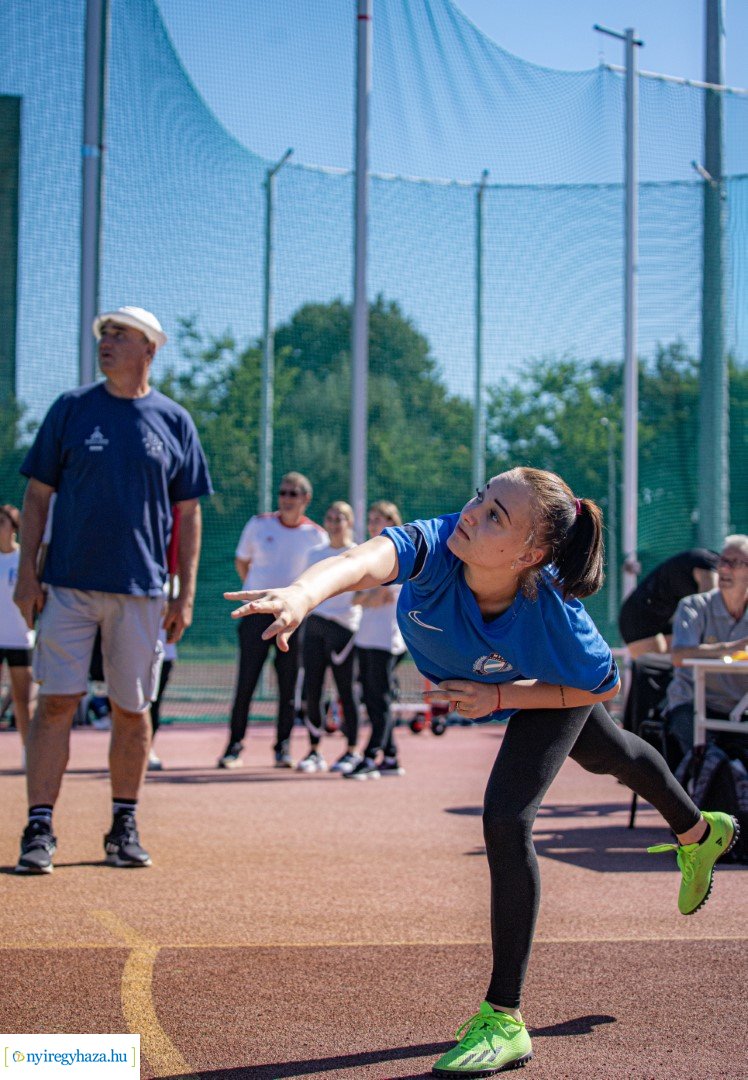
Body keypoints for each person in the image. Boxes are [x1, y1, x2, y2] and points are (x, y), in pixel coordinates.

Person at [225, 467, 736, 1076]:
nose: (472, 513)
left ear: (533, 553)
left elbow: (604, 684)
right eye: (480, 498)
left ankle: (505, 1017)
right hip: (513, 682)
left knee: (507, 816)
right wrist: (302, 595)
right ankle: (702, 833)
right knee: (610, 754)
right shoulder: (436, 546)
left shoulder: (556, 616)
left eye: (497, 515)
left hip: (543, 688)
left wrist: (502, 700)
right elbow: (361, 561)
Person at [13, 306, 212, 874]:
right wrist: (28, 572)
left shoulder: (174, 421)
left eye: (119, 335)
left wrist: (185, 593)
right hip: (68, 587)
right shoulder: (72, 410)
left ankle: (124, 823)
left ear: (149, 349)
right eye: (103, 333)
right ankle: (39, 827)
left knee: (132, 710)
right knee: (55, 704)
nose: (106, 342)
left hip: (143, 590)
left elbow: (188, 515)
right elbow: (37, 497)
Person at [219, 472, 325, 769]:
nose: (286, 499)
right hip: (256, 615)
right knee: (246, 684)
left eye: (293, 494)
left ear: (306, 499)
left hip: (293, 620)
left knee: (289, 687)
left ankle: (283, 747)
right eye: (283, 493)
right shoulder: (258, 524)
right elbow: (243, 562)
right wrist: (262, 600)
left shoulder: (316, 536)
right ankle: (233, 747)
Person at [663, 534, 748, 760]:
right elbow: (679, 656)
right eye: (723, 561)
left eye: (735, 563)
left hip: (740, 709)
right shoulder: (693, 606)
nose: (724, 569)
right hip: (692, 705)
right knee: (708, 761)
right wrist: (728, 648)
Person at [296, 501, 362, 774]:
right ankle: (314, 751)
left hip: (344, 630)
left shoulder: (358, 553)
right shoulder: (315, 554)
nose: (335, 523)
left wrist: (351, 607)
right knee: (312, 690)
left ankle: (351, 751)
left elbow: (367, 590)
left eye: (341, 518)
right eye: (331, 518)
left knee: (346, 691)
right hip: (314, 627)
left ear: (350, 522)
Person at [347, 500, 407, 779]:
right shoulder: (367, 553)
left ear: (393, 522)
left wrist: (366, 595)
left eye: (379, 519)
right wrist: (366, 595)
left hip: (387, 641)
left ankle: (370, 757)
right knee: (371, 698)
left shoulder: (399, 554)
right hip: (366, 638)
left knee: (379, 700)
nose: (373, 524)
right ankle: (391, 757)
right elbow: (357, 597)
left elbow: (382, 595)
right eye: (371, 519)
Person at [619, 549, 719, 658]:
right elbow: (710, 611)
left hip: (665, 618)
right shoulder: (708, 565)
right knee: (657, 669)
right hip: (638, 616)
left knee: (683, 663)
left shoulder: (713, 564)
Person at [0, 503, 37, 749]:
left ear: (14, 527)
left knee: (23, 701)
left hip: (20, 638)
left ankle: (29, 751)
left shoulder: (23, 559)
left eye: (1, 522)